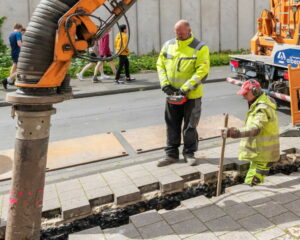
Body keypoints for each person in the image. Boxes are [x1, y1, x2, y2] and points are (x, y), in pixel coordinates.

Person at [156, 20, 210, 167]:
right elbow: (160, 64)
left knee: (190, 126)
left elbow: (202, 71)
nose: (178, 34)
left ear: (189, 30)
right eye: (176, 32)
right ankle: (171, 154)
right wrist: (165, 84)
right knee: (172, 124)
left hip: (191, 96)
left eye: (180, 32)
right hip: (172, 94)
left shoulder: (200, 48)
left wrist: (185, 88)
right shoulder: (168, 45)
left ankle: (189, 153)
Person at [222, 79, 280, 186]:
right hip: (259, 152)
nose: (243, 96)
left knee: (252, 181)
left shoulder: (262, 108)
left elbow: (255, 128)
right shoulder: (258, 104)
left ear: (255, 91)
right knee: (252, 179)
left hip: (263, 154)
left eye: (245, 93)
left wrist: (235, 132)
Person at [1, 23, 23, 90]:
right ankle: (6, 80)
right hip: (18, 52)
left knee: (14, 66)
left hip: (13, 52)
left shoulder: (11, 34)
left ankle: (10, 81)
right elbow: (19, 43)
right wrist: (25, 48)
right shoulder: (18, 33)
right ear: (20, 28)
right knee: (21, 69)